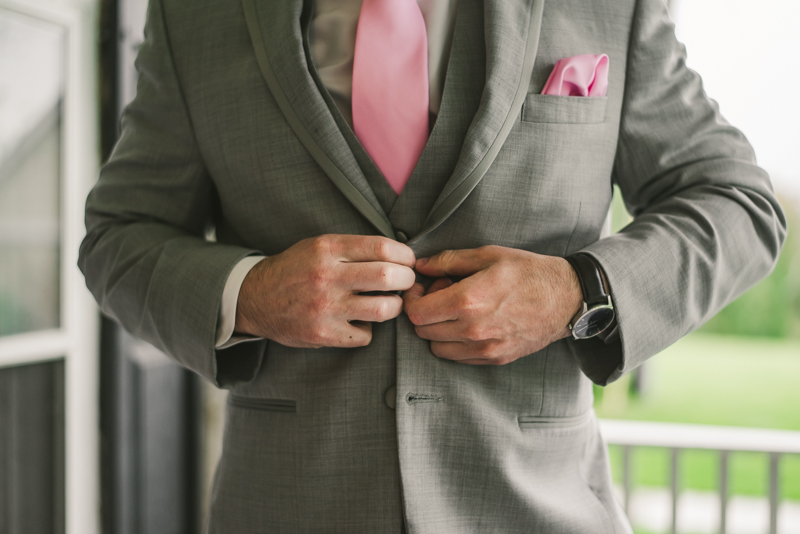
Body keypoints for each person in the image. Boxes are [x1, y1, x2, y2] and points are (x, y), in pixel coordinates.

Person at [78, 0, 786, 531]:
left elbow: (738, 204)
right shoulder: (196, 14)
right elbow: (118, 237)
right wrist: (249, 294)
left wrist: (574, 292)